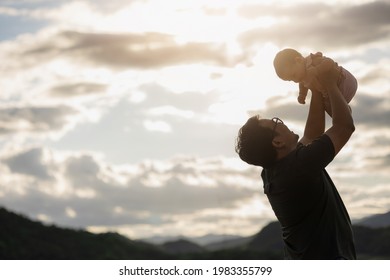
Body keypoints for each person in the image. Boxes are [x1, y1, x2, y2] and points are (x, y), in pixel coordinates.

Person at [235, 65, 357, 259]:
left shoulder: (276, 170)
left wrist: (316, 88)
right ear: (277, 142)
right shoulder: (298, 168)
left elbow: (311, 134)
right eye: (275, 122)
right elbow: (344, 126)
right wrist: (329, 83)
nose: (281, 121)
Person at [273, 48, 358, 116]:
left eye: (293, 75)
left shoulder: (312, 62)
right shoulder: (302, 77)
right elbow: (302, 85)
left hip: (344, 81)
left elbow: (329, 62)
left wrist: (317, 70)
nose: (295, 80)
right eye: (291, 80)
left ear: (298, 60)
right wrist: (302, 94)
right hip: (334, 94)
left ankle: (344, 110)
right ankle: (346, 111)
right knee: (328, 109)